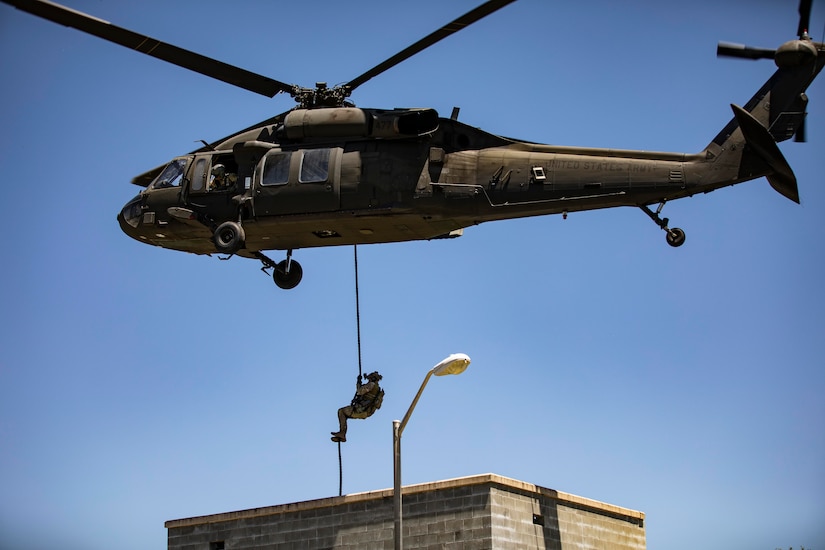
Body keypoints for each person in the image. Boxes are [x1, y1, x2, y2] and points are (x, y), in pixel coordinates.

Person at [331, 371, 383, 442]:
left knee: (341, 411)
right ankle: (341, 434)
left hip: (360, 410)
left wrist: (358, 383)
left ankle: (342, 433)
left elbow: (359, 391)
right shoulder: (377, 388)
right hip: (365, 412)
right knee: (344, 414)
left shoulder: (371, 385)